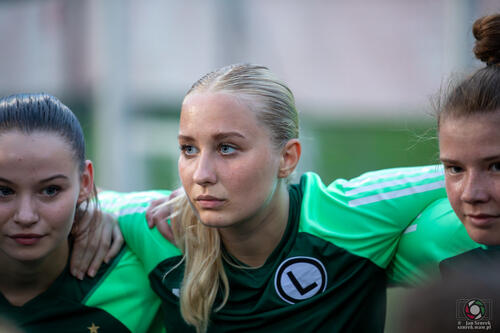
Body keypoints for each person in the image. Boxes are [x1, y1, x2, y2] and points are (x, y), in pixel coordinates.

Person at [111, 63, 463, 333]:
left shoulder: (346, 214)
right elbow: (80, 200)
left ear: (288, 158)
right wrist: (96, 222)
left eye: (227, 148)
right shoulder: (158, 225)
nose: (201, 173)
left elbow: (466, 175)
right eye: (189, 148)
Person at [0, 93, 167, 332]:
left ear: (86, 183)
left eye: (50, 190)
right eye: (3, 191)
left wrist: (110, 207)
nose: (26, 216)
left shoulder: (140, 269)